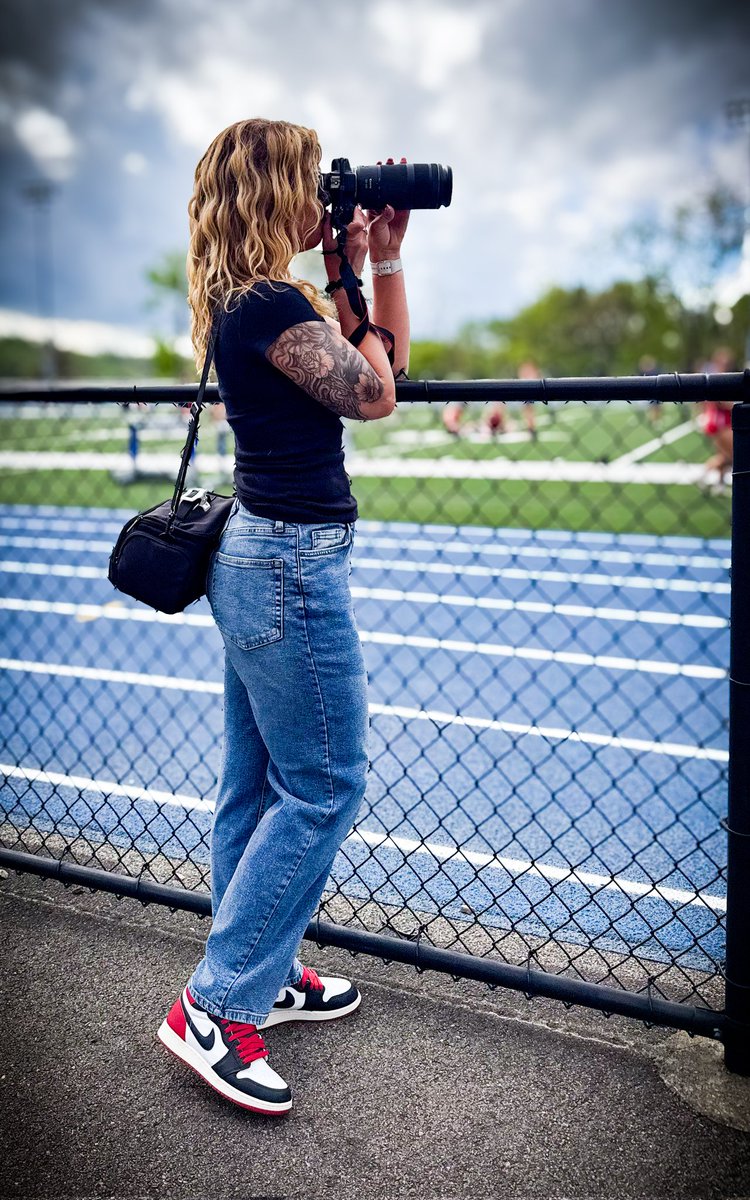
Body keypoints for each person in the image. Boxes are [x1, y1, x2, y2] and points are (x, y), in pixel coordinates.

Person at [156, 118, 410, 1115]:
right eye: (313, 181)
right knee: (326, 785)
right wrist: (356, 267)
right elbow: (375, 394)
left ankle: (262, 969)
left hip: (262, 558)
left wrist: (376, 262)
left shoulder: (249, 298)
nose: (326, 198)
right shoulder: (269, 303)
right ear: (274, 194)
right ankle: (216, 1005)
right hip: (289, 569)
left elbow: (385, 366)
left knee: (255, 785)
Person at [699, 347, 738, 496]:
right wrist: (735, 404)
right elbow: (719, 402)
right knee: (731, 456)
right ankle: (703, 474)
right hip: (720, 422)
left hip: (724, 421)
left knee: (724, 455)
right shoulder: (716, 377)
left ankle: (719, 484)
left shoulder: (724, 376)